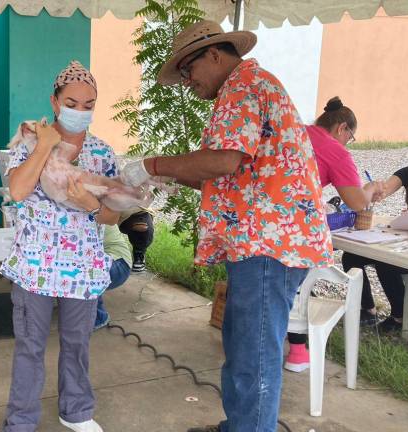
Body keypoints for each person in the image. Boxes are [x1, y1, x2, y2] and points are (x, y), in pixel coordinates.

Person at [121, 21, 333, 432]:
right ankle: (240, 424)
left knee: (254, 352)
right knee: (242, 342)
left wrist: (151, 164)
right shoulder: (249, 85)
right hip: (266, 240)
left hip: (269, 243)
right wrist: (163, 176)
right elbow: (220, 173)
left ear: (215, 54)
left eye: (188, 71)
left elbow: (222, 161)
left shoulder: (243, 85)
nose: (187, 83)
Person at [1, 60, 120, 432]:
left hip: (82, 266)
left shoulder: (102, 152)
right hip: (33, 265)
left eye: (89, 105)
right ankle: (20, 421)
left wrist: (92, 206)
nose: (80, 111)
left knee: (77, 343)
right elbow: (18, 191)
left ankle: (77, 410)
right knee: (30, 346)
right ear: (55, 102)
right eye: (72, 102)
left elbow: (113, 216)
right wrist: (46, 145)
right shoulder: (28, 140)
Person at [284, 96, 384, 372]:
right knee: (296, 286)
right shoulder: (335, 150)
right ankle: (298, 352)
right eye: (350, 137)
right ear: (343, 128)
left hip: (260, 219)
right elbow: (357, 202)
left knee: (273, 287)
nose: (347, 143)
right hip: (294, 229)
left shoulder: (297, 131)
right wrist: (371, 187)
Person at [344, 130, 408, 337]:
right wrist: (374, 190)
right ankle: (367, 309)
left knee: (387, 261)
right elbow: (385, 188)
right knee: (351, 256)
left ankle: (400, 316)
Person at [94, 224, 133, 330]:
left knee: (85, 274)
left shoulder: (90, 208)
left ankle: (98, 317)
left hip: (118, 263)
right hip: (100, 260)